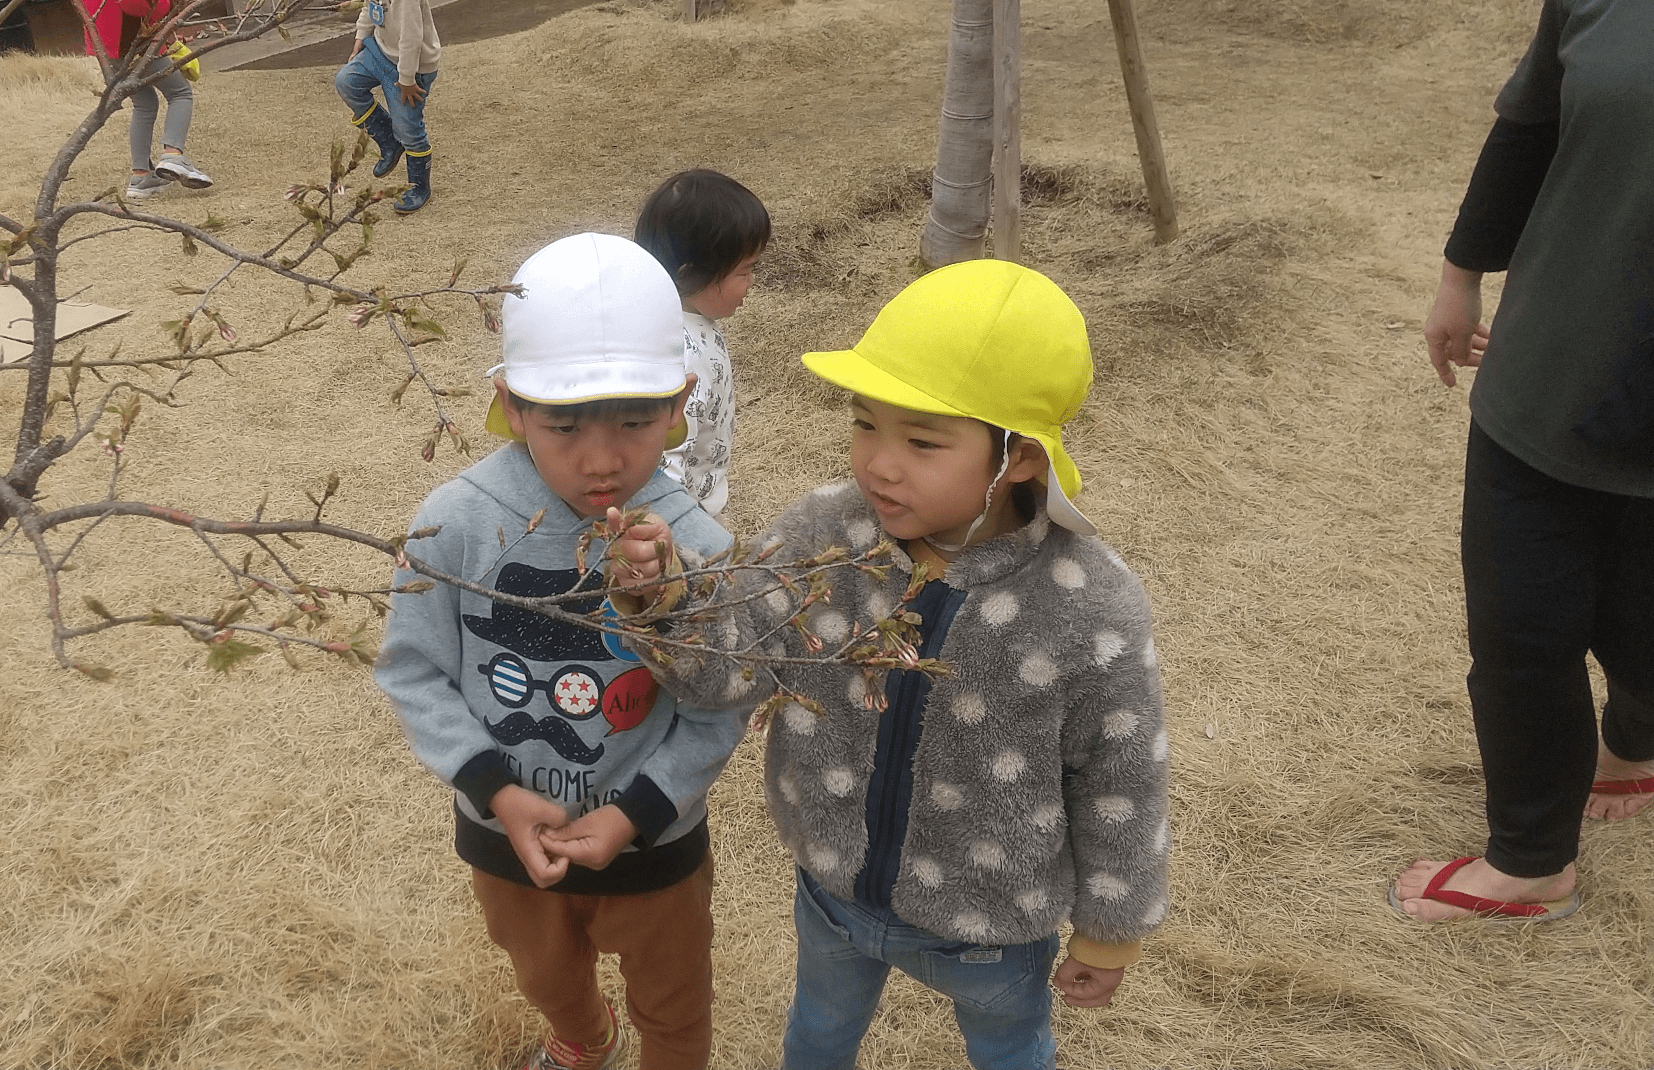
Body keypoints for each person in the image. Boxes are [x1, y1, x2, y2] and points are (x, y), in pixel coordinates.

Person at [609, 260, 1169, 1070]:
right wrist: (662, 600)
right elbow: (728, 669)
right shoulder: (821, 535)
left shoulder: (1089, 606)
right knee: (818, 1035)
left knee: (1011, 1050)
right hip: (833, 889)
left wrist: (1111, 931)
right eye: (866, 422)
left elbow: (1122, 776)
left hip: (992, 927)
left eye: (922, 440)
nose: (879, 462)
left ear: (1018, 458)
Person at [374, 233, 748, 1070]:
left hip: (652, 842)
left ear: (682, 400)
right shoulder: (457, 521)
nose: (603, 457)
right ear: (510, 403)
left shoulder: (697, 542)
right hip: (509, 835)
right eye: (564, 421)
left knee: (677, 1002)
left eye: (636, 419)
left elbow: (722, 701)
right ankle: (585, 1038)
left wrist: (636, 812)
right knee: (544, 972)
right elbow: (413, 666)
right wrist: (494, 791)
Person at [1391, 0, 1654, 924]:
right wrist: (1459, 272)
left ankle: (1631, 744)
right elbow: (1529, 125)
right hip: (1546, 367)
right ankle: (1530, 859)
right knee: (1518, 626)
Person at [633, 169, 771, 520]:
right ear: (688, 272)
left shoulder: (690, 320)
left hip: (699, 501)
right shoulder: (680, 359)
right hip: (684, 519)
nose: (752, 282)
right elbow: (668, 457)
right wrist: (679, 532)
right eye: (744, 271)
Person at [76, 0, 213, 199]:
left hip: (104, 39)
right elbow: (133, 2)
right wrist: (164, 0)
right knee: (180, 92)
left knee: (145, 102)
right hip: (132, 37)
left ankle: (141, 176)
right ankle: (173, 155)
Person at [336, 0, 441, 213]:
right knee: (347, 81)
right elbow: (367, 4)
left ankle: (419, 186)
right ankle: (388, 140)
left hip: (411, 66)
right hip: (381, 50)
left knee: (409, 127)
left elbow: (411, 38)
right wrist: (361, 37)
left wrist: (406, 79)